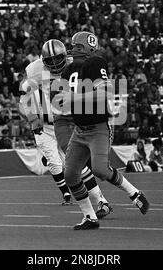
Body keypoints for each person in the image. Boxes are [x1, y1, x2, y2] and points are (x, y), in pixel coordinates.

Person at [58, 31, 149, 230]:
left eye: (79, 47)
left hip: (98, 127)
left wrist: (73, 99)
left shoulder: (95, 63)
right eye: (74, 46)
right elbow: (62, 100)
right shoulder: (68, 70)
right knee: (70, 175)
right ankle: (89, 217)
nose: (74, 50)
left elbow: (103, 93)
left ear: (90, 50)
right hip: (79, 130)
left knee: (100, 169)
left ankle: (134, 193)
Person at [19, 38, 111, 215]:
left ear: (65, 55)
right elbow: (24, 96)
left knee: (74, 162)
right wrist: (32, 118)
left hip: (66, 120)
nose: (54, 64)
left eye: (57, 59)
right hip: (44, 125)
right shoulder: (34, 69)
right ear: (43, 60)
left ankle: (100, 202)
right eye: (50, 60)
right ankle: (86, 200)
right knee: (60, 163)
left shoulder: (75, 64)